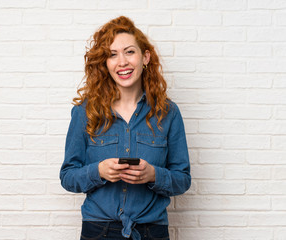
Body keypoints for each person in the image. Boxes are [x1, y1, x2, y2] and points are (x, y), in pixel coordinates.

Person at [60, 16, 191, 240]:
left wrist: (153, 175)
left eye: (129, 52)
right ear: (105, 63)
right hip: (98, 230)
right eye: (112, 55)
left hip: (152, 231)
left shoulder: (168, 113)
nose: (122, 62)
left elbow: (183, 179)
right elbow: (68, 176)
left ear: (145, 57)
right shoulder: (85, 112)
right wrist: (98, 171)